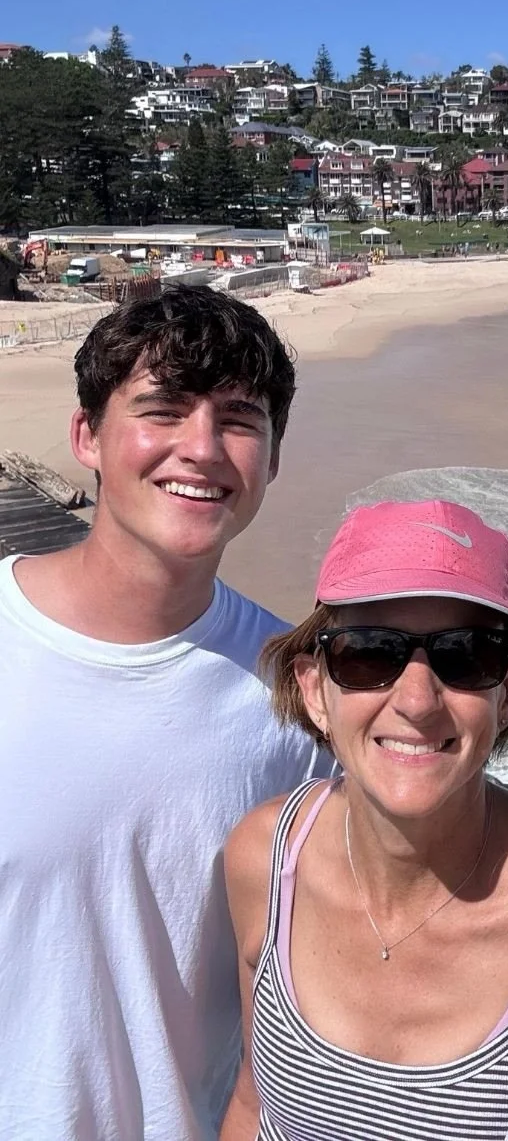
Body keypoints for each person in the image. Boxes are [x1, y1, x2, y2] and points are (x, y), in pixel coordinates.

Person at [0, 286, 325, 1141]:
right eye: (164, 410)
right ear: (87, 437)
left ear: (272, 460)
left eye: (240, 420)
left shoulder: (299, 694)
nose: (203, 448)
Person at [222, 499, 508, 1141]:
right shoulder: (266, 856)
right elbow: (250, 1101)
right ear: (315, 689)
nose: (417, 700)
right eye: (370, 654)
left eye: (465, 655)